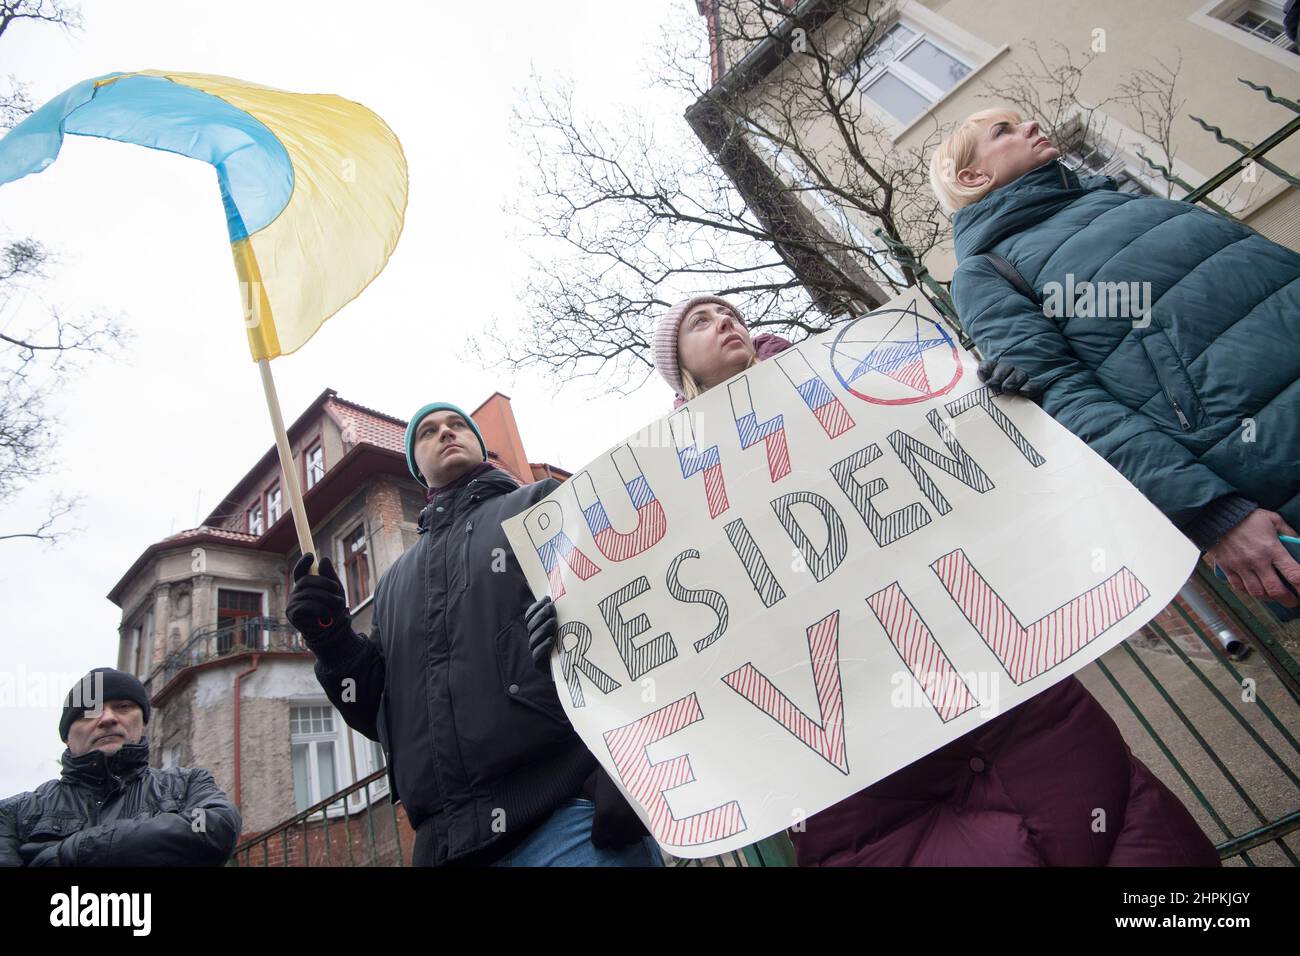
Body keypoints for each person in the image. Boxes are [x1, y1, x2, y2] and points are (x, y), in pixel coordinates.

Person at [532, 294, 1221, 866]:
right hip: (856, 743)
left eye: (727, 310)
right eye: (699, 322)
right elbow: (673, 613)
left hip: (986, 677)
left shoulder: (855, 381)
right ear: (676, 367)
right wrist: (579, 640)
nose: (724, 320)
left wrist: (993, 398)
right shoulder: (664, 490)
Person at [933, 108, 1300, 613]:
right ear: (972, 177)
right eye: (1005, 132)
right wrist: (1214, 515)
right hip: (1274, 464)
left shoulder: (1119, 202)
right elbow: (1066, 400)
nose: (1031, 128)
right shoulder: (987, 273)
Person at [287, 401, 659, 867]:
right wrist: (330, 637)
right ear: (417, 467)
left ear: (479, 446)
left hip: (567, 818)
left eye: (457, 425)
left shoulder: (538, 505)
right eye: (427, 432)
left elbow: (625, 625)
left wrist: (623, 767)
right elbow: (379, 712)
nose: (445, 433)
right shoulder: (393, 585)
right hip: (446, 848)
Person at [0, 667, 241, 866]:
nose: (107, 718)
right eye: (88, 711)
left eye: (123, 706)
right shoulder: (16, 813)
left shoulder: (186, 785)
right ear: (66, 736)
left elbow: (215, 827)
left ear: (143, 723)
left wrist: (73, 851)